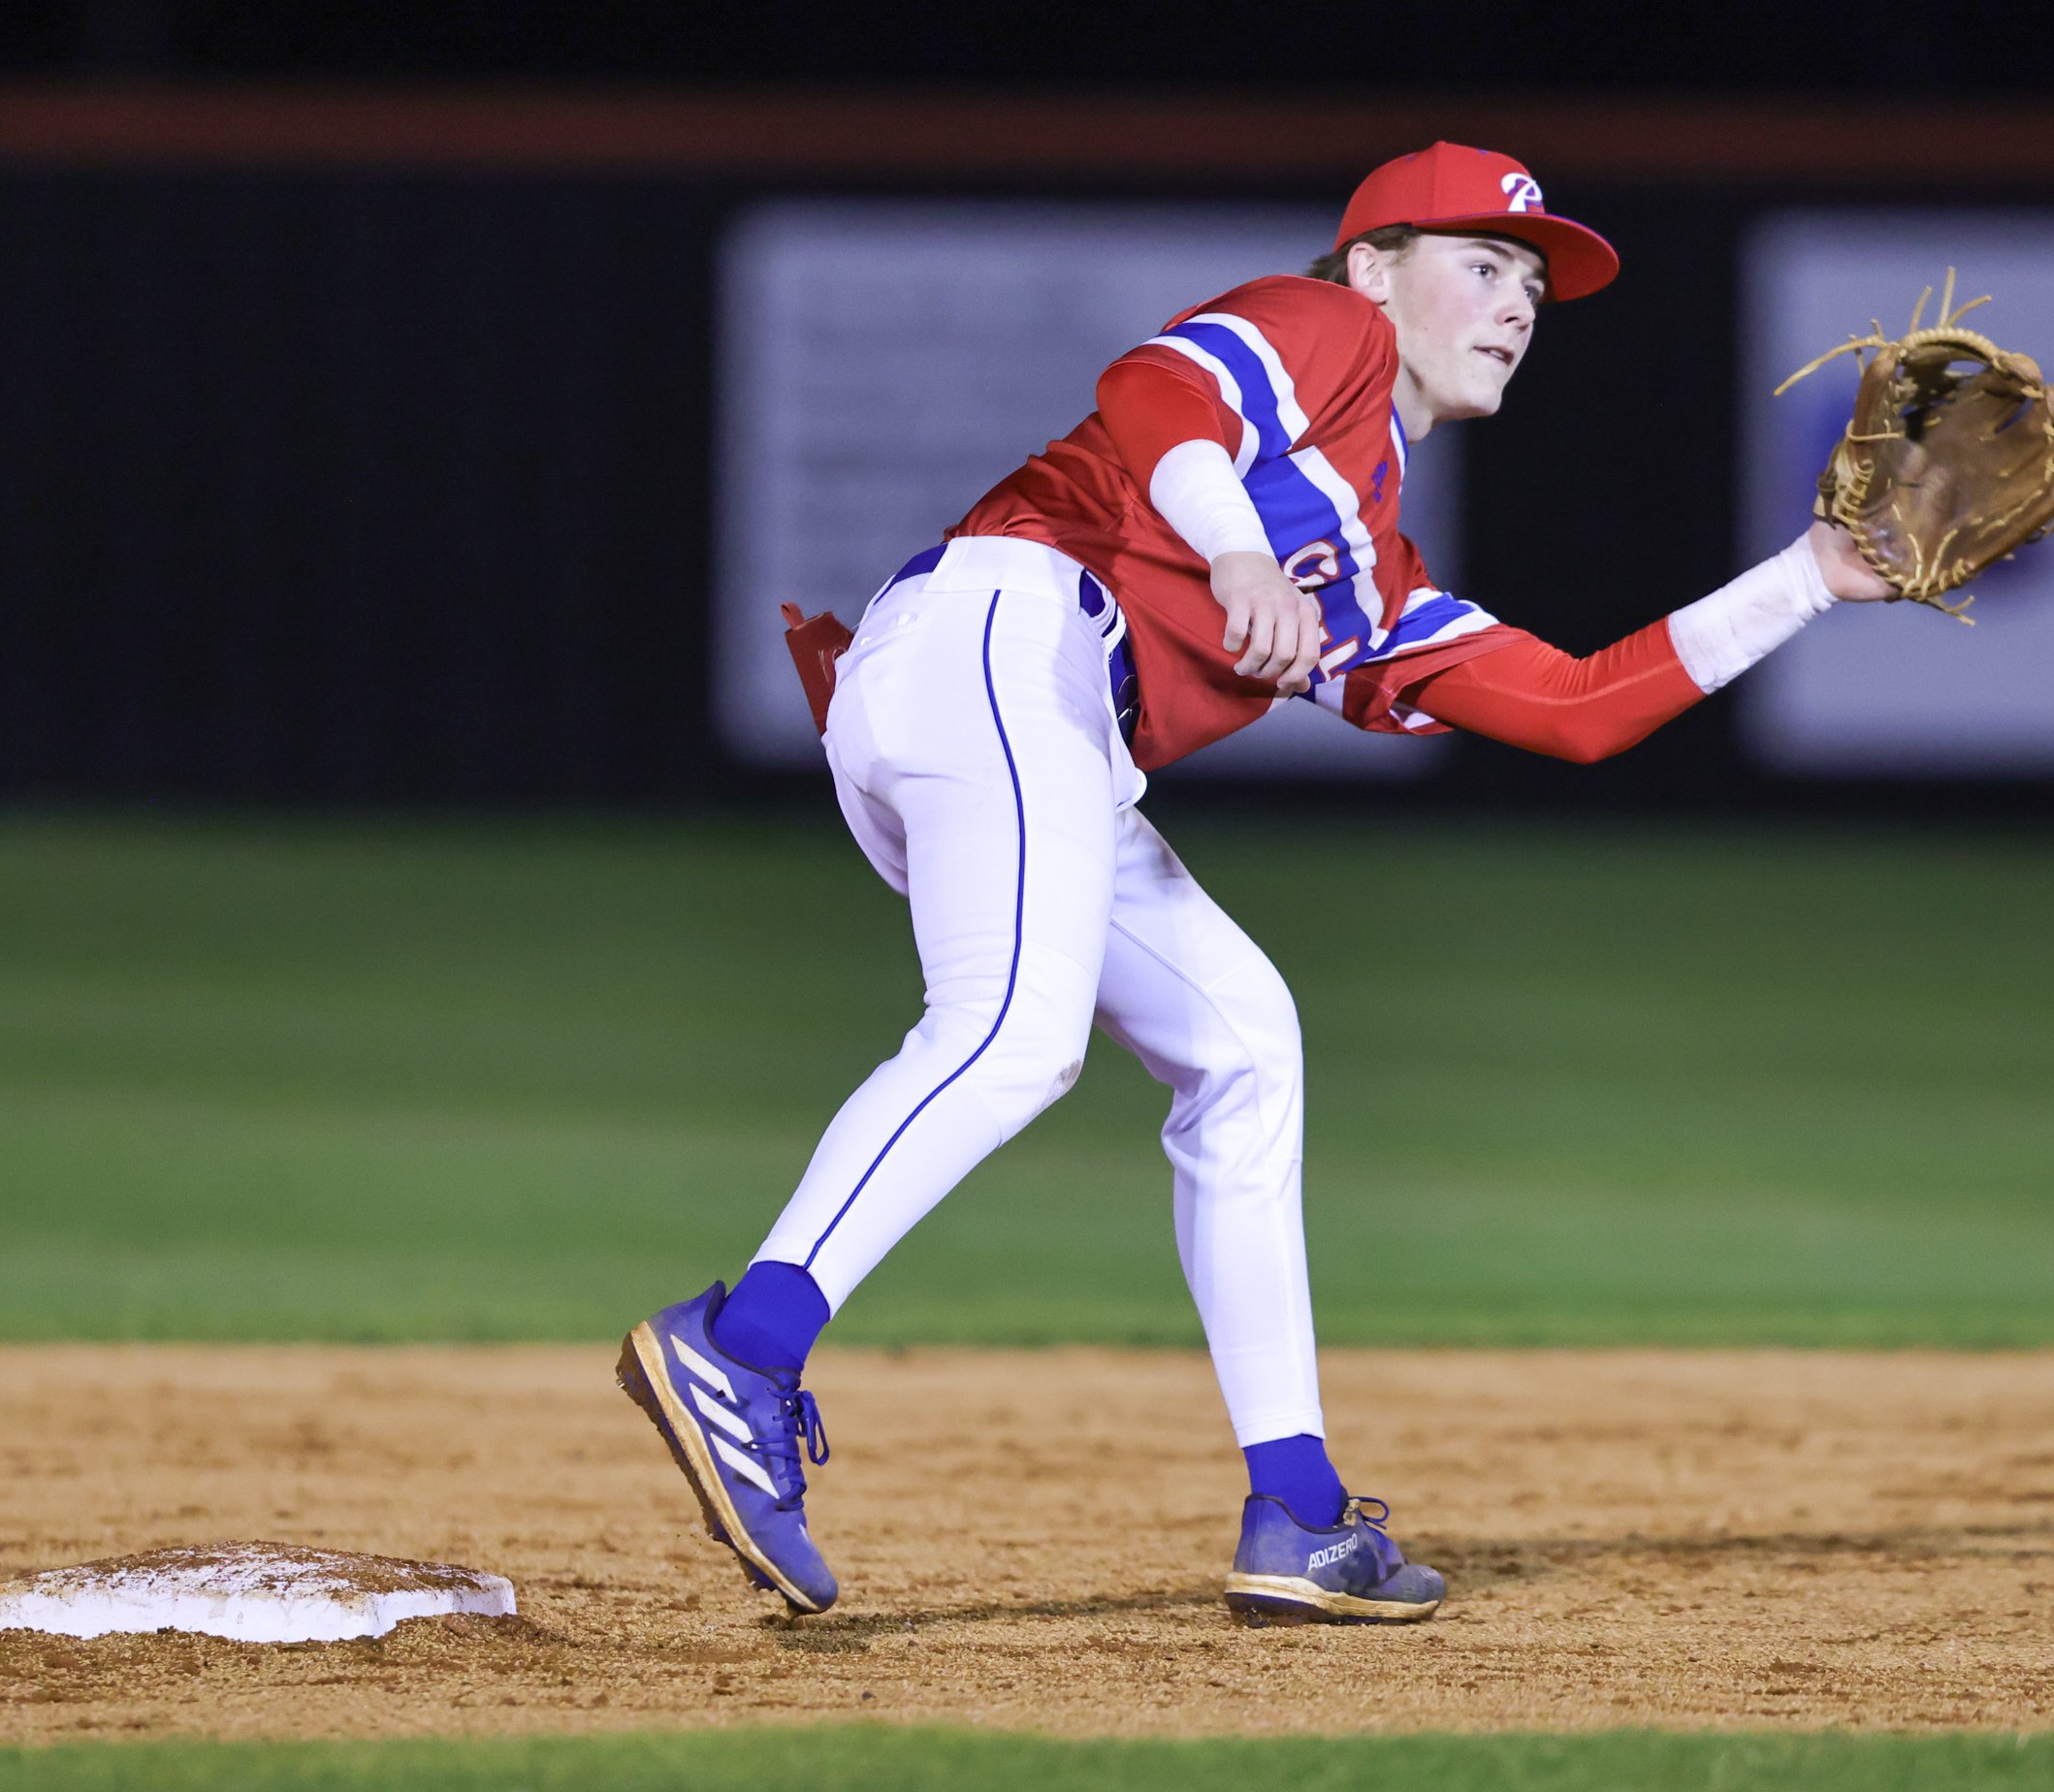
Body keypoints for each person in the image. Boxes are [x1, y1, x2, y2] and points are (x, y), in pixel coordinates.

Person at [618, 141, 1897, 1626]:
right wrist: (1234, 553)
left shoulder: (1366, 573)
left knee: (1241, 1046)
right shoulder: (1326, 332)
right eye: (1480, 264)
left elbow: (1574, 709)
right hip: (1001, 636)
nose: (1516, 303)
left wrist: (1811, 574)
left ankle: (1295, 1513)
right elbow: (1150, 394)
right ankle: (746, 1343)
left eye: (1533, 283)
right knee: (1012, 1032)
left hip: (1028, 721)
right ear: (1372, 265)